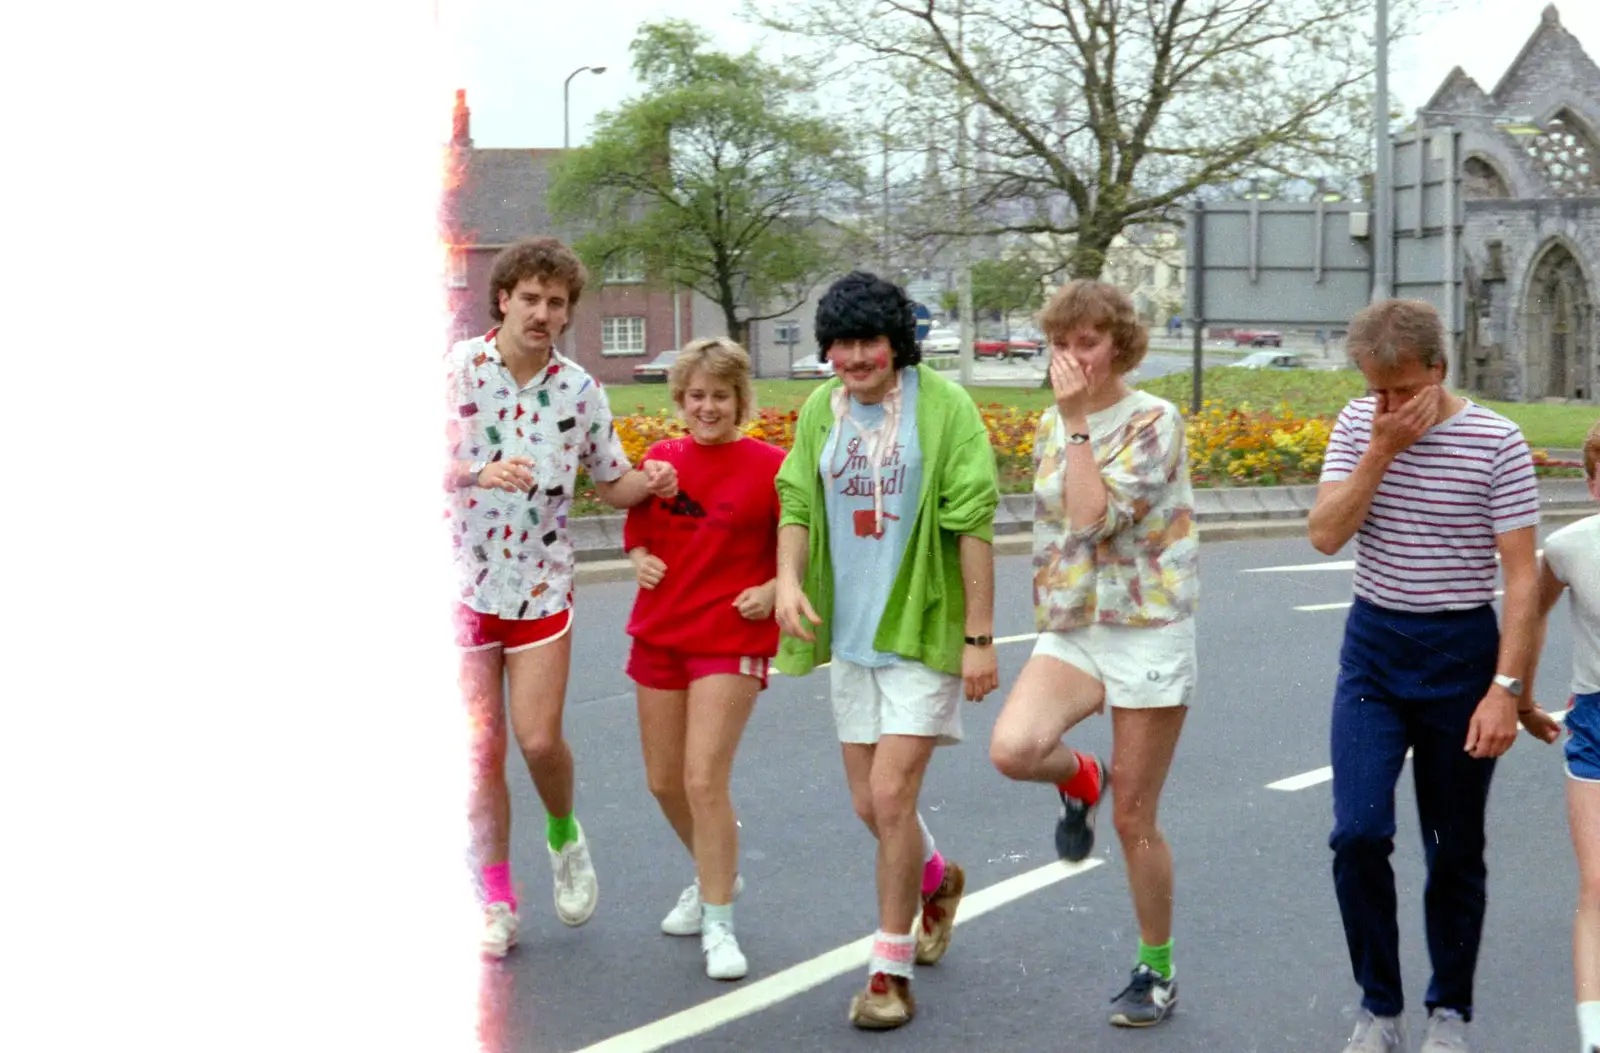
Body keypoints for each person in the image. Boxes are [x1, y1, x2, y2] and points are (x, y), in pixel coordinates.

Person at [1306, 298, 1547, 1053]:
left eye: (1403, 390)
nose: (1387, 405)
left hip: (1459, 654)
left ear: (1439, 370)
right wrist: (1379, 449)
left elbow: (1520, 578)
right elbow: (1323, 534)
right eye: (1375, 389)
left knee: (1452, 844)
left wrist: (1504, 690)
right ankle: (1380, 1006)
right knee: (1357, 833)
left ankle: (1451, 1012)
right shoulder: (1357, 427)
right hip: (1374, 650)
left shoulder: (1495, 441)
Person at [773, 271, 999, 1030]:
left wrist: (978, 638)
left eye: (870, 341)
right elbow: (797, 499)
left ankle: (888, 972)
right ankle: (938, 880)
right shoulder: (819, 409)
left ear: (897, 344)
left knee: (894, 796)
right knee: (869, 802)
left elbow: (973, 522)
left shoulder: (945, 408)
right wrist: (787, 580)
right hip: (851, 633)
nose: (855, 357)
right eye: (841, 343)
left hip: (922, 627)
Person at [445, 236, 678, 959]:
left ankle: (562, 830)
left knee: (538, 738)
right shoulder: (456, 370)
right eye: (532, 298)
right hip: (461, 584)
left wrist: (654, 479)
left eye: (557, 302)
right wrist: (478, 470)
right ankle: (497, 898)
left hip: (541, 582)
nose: (543, 312)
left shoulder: (579, 390)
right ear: (503, 298)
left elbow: (610, 481)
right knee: (480, 752)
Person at [987, 280, 1198, 1028]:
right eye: (1062, 343)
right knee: (1014, 748)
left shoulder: (1153, 419)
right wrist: (1068, 422)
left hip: (1145, 624)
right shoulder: (1053, 420)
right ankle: (1080, 774)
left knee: (1134, 814)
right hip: (1075, 622)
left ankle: (1156, 966)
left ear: (1120, 345)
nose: (1073, 358)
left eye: (1088, 342)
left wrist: (1078, 423)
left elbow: (1094, 517)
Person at [622, 338, 787, 982]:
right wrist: (638, 558)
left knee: (702, 779)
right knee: (663, 780)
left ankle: (719, 922)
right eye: (696, 396)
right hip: (659, 632)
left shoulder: (773, 465)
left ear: (740, 399)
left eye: (720, 396)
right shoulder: (661, 459)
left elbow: (800, 549)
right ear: (680, 399)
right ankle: (716, 874)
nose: (707, 407)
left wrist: (774, 589)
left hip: (730, 636)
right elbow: (635, 529)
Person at [1526, 418, 1600, 1053]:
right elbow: (1529, 613)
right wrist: (1519, 697)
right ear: (1592, 484)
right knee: (1598, 885)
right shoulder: (1571, 547)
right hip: (1597, 723)